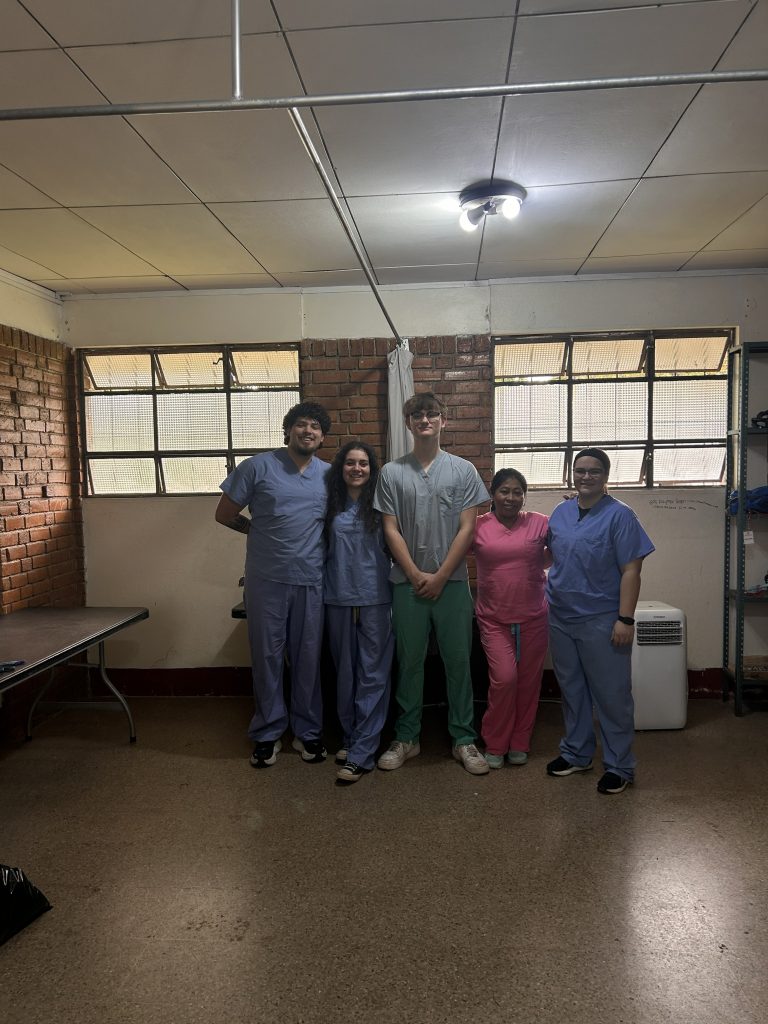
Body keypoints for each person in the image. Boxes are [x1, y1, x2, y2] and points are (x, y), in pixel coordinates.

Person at [373, 391, 491, 776]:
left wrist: (440, 576)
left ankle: (463, 738)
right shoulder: (392, 473)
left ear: (444, 420)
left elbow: (468, 528)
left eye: (432, 414)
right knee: (409, 662)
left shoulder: (463, 471)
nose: (425, 420)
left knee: (459, 662)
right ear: (408, 423)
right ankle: (407, 737)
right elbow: (390, 528)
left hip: (452, 583)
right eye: (417, 415)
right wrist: (414, 574)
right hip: (407, 584)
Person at [215, 401, 332, 769]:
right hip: (267, 580)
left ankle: (308, 730)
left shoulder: (330, 475)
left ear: (322, 437)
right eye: (301, 424)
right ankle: (267, 732)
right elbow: (224, 514)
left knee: (308, 658)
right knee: (267, 658)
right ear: (288, 430)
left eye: (315, 426)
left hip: (311, 579)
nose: (308, 430)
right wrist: (257, 531)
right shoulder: (257, 467)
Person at [545, 447, 655, 795]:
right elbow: (553, 555)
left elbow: (632, 570)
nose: (586, 476)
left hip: (602, 619)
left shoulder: (620, 515)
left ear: (606, 476)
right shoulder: (561, 512)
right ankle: (577, 753)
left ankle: (619, 765)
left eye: (594, 471)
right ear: (572, 474)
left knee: (611, 695)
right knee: (572, 690)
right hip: (561, 615)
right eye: (580, 470)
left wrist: (625, 619)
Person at [324, 441, 394, 784]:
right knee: (345, 673)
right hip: (337, 596)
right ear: (341, 468)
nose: (356, 469)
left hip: (375, 597)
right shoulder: (329, 505)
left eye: (363, 463)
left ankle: (364, 751)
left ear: (372, 469)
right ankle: (351, 737)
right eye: (350, 463)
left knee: (373, 673)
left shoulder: (382, 505)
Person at [473, 469, 550, 769]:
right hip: (493, 619)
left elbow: (561, 547)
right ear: (493, 494)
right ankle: (495, 742)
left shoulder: (540, 523)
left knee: (529, 683)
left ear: (524, 496)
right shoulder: (478, 525)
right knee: (505, 680)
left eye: (518, 492)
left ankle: (520, 742)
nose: (511, 497)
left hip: (534, 617)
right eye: (504, 491)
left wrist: (576, 506)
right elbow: (452, 552)